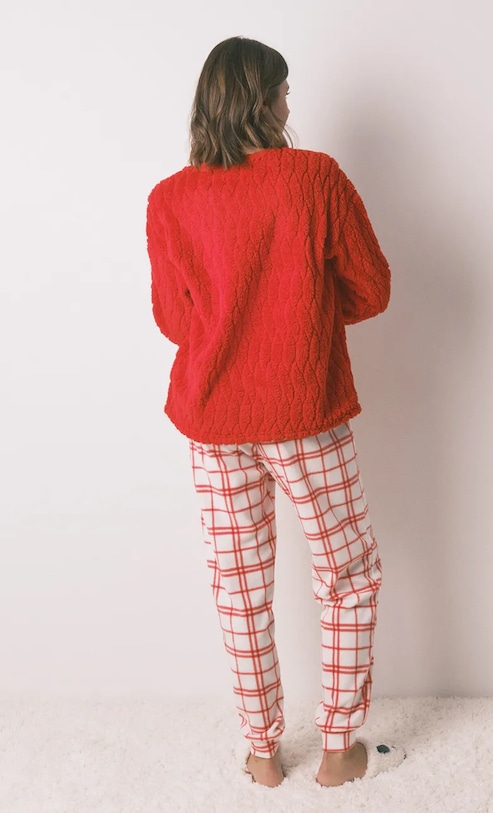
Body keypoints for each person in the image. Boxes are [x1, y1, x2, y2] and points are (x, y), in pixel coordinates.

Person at [146, 36, 405, 788]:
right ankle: (338, 749)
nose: (292, 104)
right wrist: (300, 315)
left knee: (239, 586)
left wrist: (239, 319)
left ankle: (262, 753)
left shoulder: (170, 198)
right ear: (262, 99)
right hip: (304, 412)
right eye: (284, 91)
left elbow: (174, 319)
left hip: (213, 419)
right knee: (348, 574)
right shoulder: (314, 178)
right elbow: (373, 287)